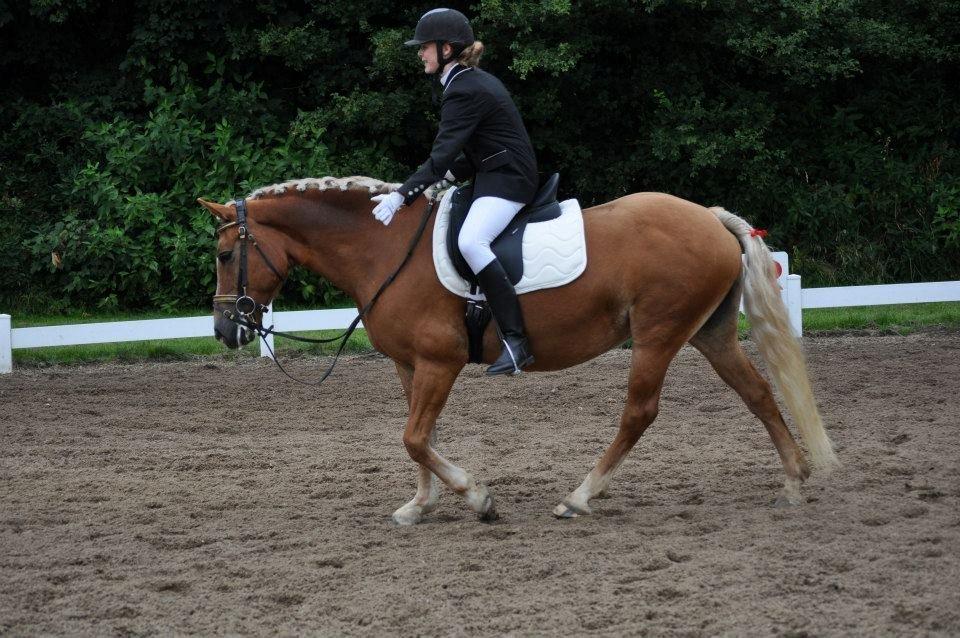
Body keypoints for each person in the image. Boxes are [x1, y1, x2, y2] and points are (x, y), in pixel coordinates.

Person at [371, 7, 539, 376]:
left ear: (446, 49)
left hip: (509, 179)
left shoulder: (463, 89)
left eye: (425, 46)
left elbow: (441, 154)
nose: (420, 52)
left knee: (471, 242)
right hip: (493, 173)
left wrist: (403, 196)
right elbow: (475, 149)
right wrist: (444, 178)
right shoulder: (466, 82)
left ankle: (516, 340)